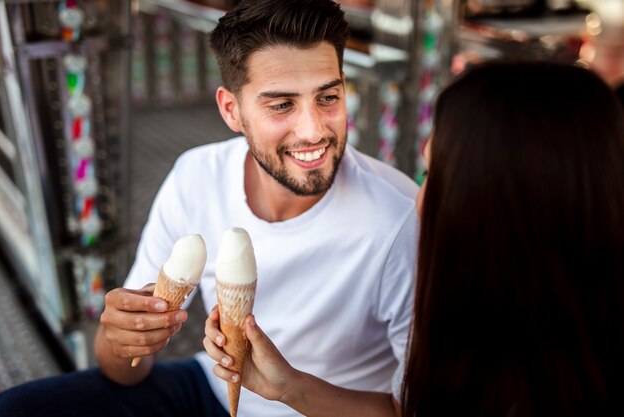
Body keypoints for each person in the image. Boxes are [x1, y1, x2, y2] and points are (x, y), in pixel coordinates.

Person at [0, 0, 418, 416]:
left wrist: (292, 390)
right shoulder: (195, 175)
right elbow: (126, 373)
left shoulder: (400, 220)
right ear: (231, 110)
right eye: (281, 105)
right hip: (209, 391)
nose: (313, 130)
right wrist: (119, 337)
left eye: (328, 97)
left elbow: (414, 408)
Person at [205, 61, 624, 417]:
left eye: (432, 176)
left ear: (496, 209)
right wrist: (289, 388)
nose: (419, 202)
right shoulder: (501, 324)